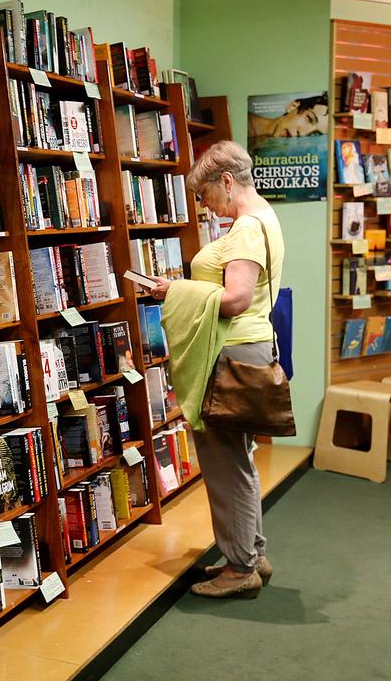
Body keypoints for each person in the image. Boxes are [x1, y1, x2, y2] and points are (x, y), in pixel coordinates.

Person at [151, 140, 286, 599]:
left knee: (226, 464)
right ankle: (251, 552)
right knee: (239, 459)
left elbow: (236, 299)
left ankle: (240, 566)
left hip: (232, 352)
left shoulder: (247, 227)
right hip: (245, 350)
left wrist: (175, 292)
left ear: (226, 181)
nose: (204, 204)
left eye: (205, 194)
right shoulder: (264, 217)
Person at [248, 93, 329, 141]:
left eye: (314, 134)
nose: (302, 134)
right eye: (309, 118)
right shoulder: (242, 123)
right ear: (293, 106)